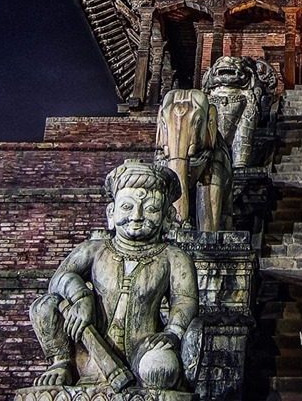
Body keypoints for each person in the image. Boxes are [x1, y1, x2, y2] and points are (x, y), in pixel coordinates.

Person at [28, 160, 199, 390]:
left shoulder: (173, 257)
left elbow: (184, 300)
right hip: (88, 345)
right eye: (127, 207)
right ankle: (62, 363)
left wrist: (173, 333)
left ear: (167, 217)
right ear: (111, 212)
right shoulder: (94, 249)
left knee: (160, 367)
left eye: (150, 209)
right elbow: (60, 278)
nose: (137, 216)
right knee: (45, 305)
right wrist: (81, 297)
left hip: (143, 347)